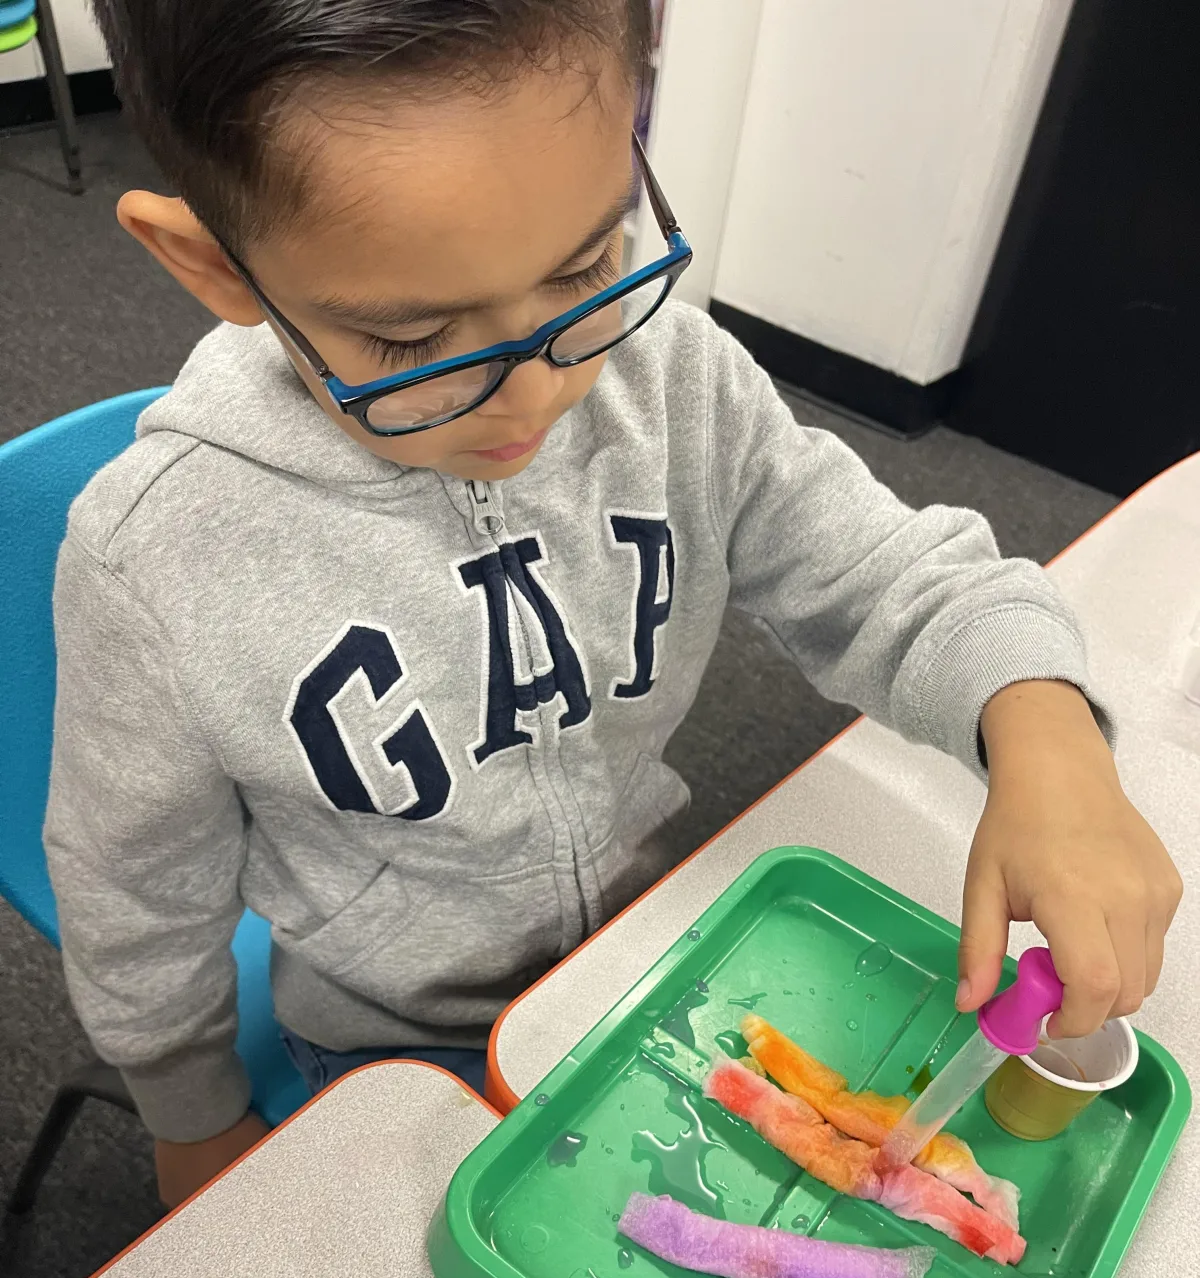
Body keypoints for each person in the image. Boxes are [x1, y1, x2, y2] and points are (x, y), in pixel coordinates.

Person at [47, 0, 1180, 1209]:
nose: (541, 386)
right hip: (399, 1048)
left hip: (660, 948)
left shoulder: (675, 382)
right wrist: (190, 1114)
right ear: (216, 265)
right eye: (412, 336)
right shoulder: (157, 561)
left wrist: (1043, 727)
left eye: (587, 263)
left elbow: (890, 575)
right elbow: (137, 894)